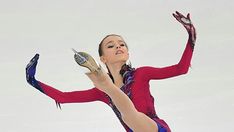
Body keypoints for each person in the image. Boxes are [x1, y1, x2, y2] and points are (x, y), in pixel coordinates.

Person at [26, 11, 196, 132]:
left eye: (122, 44)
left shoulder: (141, 74)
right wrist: (32, 80)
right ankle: (110, 87)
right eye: (111, 45)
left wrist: (191, 38)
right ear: (103, 58)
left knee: (129, 115)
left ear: (128, 53)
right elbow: (63, 97)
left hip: (154, 128)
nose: (118, 46)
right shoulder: (99, 92)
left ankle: (110, 87)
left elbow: (181, 69)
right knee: (123, 111)